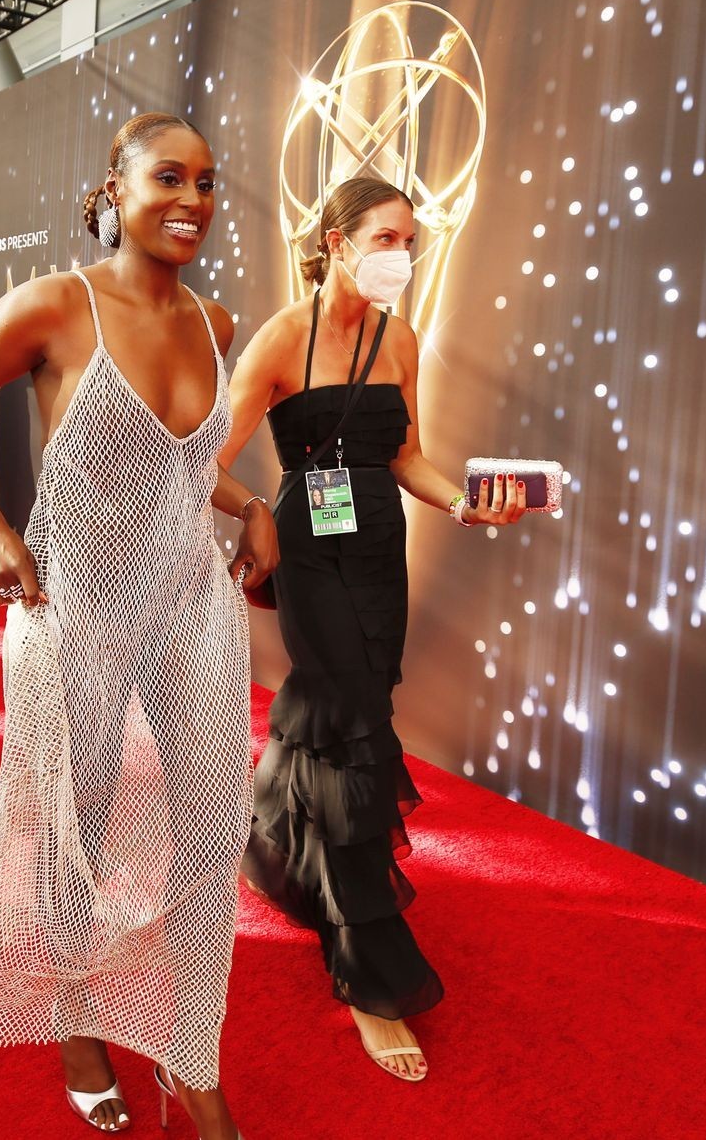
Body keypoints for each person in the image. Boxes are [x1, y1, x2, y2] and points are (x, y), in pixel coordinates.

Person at [0, 113, 274, 1140]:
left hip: (190, 601)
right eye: (170, 177)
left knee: (212, 826)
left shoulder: (214, 319)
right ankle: (80, 1024)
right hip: (71, 601)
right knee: (72, 828)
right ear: (116, 189)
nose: (193, 200)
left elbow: (179, 463)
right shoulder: (57, 307)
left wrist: (251, 504)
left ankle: (190, 1056)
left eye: (207, 182)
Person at [217, 176, 528, 1084]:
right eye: (386, 238)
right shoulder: (282, 337)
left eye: (410, 242)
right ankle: (369, 972)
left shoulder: (402, 337)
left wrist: (464, 504)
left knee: (339, 709)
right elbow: (205, 458)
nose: (401, 255)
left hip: (380, 548)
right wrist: (254, 515)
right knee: (353, 723)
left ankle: (271, 849)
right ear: (336, 240)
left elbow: (406, 457)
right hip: (310, 553)